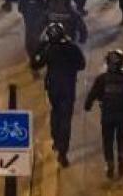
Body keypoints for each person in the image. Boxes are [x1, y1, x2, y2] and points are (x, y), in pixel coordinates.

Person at [31, 23, 86, 166]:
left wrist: (39, 47)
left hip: (53, 88)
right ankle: (63, 152)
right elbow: (82, 65)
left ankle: (56, 141)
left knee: (55, 114)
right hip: (68, 87)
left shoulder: (49, 49)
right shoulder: (72, 47)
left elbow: (35, 64)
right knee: (66, 119)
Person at [85, 50, 123, 180]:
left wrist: (87, 105)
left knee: (108, 140)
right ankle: (121, 161)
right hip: (122, 115)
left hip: (107, 115)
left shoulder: (102, 79)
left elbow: (92, 94)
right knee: (121, 138)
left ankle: (110, 164)